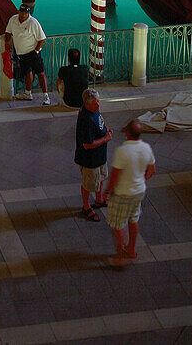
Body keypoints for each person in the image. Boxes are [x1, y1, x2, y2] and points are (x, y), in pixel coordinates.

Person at [104, 119, 156, 267]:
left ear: (127, 133)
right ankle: (131, 250)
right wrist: (140, 180)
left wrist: (108, 191)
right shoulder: (146, 148)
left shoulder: (123, 151)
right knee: (133, 219)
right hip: (139, 191)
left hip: (123, 193)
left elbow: (115, 175)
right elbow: (152, 169)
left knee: (118, 225)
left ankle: (120, 258)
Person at [74, 88, 112, 221]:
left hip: (99, 156)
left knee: (101, 177)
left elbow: (100, 123)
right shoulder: (86, 120)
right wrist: (105, 138)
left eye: (98, 101)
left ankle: (99, 199)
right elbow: (87, 144)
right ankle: (86, 207)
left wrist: (105, 130)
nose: (98, 105)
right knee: (88, 184)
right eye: (95, 103)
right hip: (89, 160)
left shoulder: (94, 111)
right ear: (87, 104)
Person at [4, 4, 50, 104]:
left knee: (40, 73)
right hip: (21, 53)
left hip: (33, 53)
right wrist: (6, 43)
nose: (24, 15)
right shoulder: (13, 20)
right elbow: (8, 33)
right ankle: (27, 93)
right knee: (27, 73)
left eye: (26, 13)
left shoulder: (33, 22)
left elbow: (42, 38)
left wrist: (36, 51)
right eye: (22, 12)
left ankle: (45, 96)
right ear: (18, 11)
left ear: (28, 13)